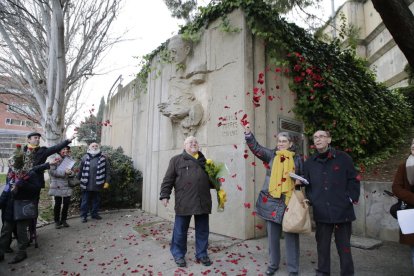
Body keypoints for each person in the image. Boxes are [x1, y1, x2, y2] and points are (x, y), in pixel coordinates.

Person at [243, 124, 303, 276]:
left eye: (284, 141)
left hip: (289, 201)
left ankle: (293, 269)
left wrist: (299, 182)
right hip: (271, 200)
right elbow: (256, 148)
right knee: (272, 237)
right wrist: (248, 133)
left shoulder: (297, 159)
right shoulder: (272, 155)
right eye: (279, 141)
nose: (280, 143)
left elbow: (304, 177)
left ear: (290, 144)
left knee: (291, 235)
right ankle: (273, 264)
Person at [303, 130, 360, 276]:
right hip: (321, 210)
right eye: (315, 137)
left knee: (344, 246)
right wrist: (313, 199)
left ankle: (347, 273)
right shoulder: (309, 163)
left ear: (329, 140)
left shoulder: (343, 158)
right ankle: (322, 272)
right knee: (322, 246)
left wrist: (350, 198)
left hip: (342, 210)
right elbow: (307, 185)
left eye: (321, 136)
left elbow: (354, 179)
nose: (318, 139)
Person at [159, 136, 213, 268]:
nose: (194, 143)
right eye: (191, 142)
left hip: (202, 201)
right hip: (184, 201)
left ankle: (202, 254)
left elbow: (211, 182)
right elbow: (168, 180)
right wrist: (165, 195)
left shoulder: (205, 162)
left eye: (196, 142)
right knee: (180, 230)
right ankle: (178, 254)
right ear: (184, 146)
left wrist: (216, 180)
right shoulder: (176, 160)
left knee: (202, 230)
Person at [0, 160, 56, 264]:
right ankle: (0, 252)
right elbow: (7, 189)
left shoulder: (31, 174)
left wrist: (22, 183)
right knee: (5, 231)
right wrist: (1, 202)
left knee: (21, 231)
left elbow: (35, 189)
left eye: (14, 164)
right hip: (10, 207)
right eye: (11, 165)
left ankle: (22, 252)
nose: (12, 166)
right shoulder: (11, 174)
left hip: (23, 207)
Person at [392, 139, 414, 267]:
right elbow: (396, 188)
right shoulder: (404, 166)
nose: (413, 146)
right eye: (412, 144)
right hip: (411, 212)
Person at [78, 142, 110, 223]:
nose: (95, 147)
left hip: (98, 183)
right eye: (93, 146)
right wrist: (78, 180)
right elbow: (80, 170)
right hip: (86, 184)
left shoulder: (103, 158)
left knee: (96, 200)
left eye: (96, 146)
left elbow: (107, 171)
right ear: (89, 148)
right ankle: (83, 216)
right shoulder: (84, 157)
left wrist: (107, 181)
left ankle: (94, 214)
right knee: (85, 201)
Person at [48, 146, 75, 229]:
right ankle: (57, 221)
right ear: (59, 151)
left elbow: (73, 173)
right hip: (57, 185)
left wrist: (71, 173)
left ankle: (64, 220)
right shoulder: (55, 159)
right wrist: (64, 172)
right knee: (58, 204)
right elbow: (51, 172)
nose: (65, 151)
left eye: (67, 149)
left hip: (67, 184)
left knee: (66, 203)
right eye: (63, 149)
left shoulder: (69, 159)